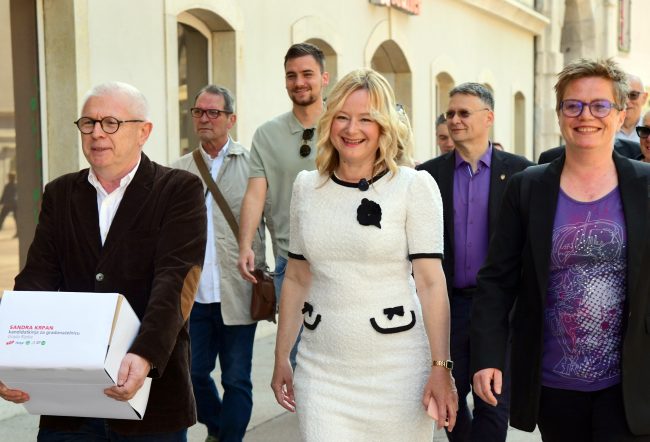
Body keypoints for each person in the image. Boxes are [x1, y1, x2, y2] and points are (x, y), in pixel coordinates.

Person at [0, 81, 207, 441]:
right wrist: (10, 355)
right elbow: (37, 278)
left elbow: (175, 282)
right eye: (88, 123)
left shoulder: (178, 189)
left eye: (111, 123)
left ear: (143, 132)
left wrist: (144, 355)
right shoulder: (60, 193)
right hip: (68, 405)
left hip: (149, 399)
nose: (97, 133)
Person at [270, 68, 457, 440]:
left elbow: (431, 283)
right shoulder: (306, 188)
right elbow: (296, 277)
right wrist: (280, 357)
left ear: (384, 126)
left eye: (366, 119)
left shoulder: (414, 186)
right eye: (342, 117)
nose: (352, 129)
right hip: (321, 370)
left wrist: (441, 366)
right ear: (329, 121)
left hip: (398, 372)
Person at [471, 58, 650, 441]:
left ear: (621, 115)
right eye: (573, 105)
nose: (586, 115)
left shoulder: (646, 186)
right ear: (559, 114)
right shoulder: (527, 188)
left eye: (600, 105)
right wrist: (487, 356)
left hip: (632, 382)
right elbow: (497, 281)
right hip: (554, 384)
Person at [418, 83, 533, 442]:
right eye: (450, 113)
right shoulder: (427, 176)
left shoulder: (521, 173)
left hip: (499, 310)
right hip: (446, 306)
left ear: (489, 118)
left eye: (464, 113)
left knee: (493, 402)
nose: (454, 120)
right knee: (448, 401)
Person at [172, 85, 266, 442]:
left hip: (239, 289)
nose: (204, 119)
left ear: (231, 119)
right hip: (194, 296)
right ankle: (218, 427)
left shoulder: (253, 165)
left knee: (236, 379)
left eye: (213, 112)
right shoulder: (179, 169)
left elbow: (272, 219)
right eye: (198, 112)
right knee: (193, 375)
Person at [237, 42, 329, 366]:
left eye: (307, 74)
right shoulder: (267, 134)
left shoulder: (344, 126)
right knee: (296, 358)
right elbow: (255, 194)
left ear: (324, 78)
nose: (299, 82)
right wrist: (246, 245)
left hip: (341, 259)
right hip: (290, 261)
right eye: (292, 75)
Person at [616, 74, 647, 142]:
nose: (626, 101)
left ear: (644, 98)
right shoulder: (606, 129)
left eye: (633, 95)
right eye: (622, 95)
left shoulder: (647, 127)